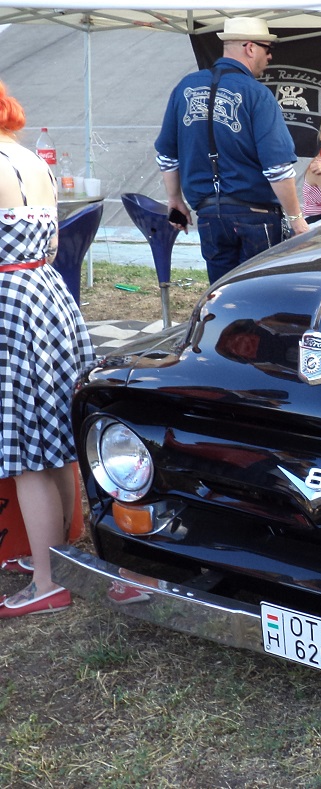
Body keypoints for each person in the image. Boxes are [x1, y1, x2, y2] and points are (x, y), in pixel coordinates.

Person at [0, 81, 95, 618]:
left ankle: (44, 581)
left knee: (27, 450)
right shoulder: (32, 159)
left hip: (10, 304)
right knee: (56, 433)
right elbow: (55, 243)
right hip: (49, 295)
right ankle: (58, 556)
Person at [155, 17, 309, 283]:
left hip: (208, 214)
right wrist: (296, 220)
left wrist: (175, 200)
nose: (269, 56)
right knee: (258, 295)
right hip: (256, 216)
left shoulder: (185, 87)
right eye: (266, 48)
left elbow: (166, 156)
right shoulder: (256, 94)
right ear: (250, 48)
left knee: (221, 294)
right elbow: (278, 169)